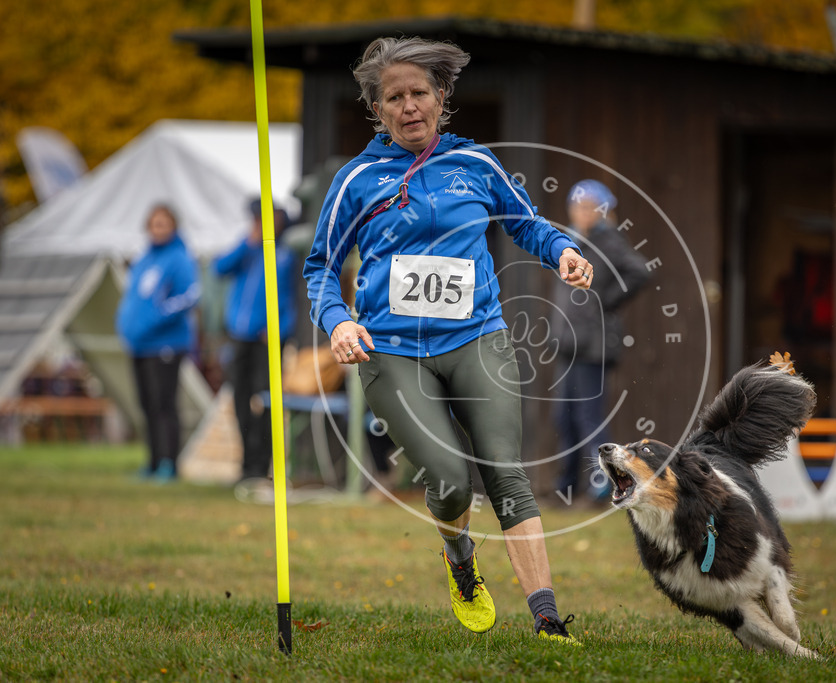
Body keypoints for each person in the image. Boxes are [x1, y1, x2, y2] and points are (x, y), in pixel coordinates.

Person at [304, 36, 594, 643]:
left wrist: (564, 250)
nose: (409, 106)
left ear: (442, 98)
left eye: (419, 93)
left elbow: (527, 226)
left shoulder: (476, 164)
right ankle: (460, 559)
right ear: (377, 110)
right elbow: (322, 267)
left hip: (476, 338)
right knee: (449, 478)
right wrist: (339, 321)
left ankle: (547, 619)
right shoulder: (357, 178)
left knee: (507, 473)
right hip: (392, 351)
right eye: (394, 98)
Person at [550, 180, 652, 504]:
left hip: (593, 346)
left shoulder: (608, 240)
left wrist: (604, 301)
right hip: (570, 344)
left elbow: (640, 272)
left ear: (602, 210)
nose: (581, 212)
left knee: (588, 419)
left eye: (588, 206)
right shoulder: (573, 241)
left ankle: (606, 487)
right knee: (564, 418)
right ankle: (566, 488)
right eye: (576, 206)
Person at [115, 204, 200, 482]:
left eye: (163, 223)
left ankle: (169, 464)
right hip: (139, 345)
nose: (158, 229)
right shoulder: (144, 259)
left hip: (166, 344)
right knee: (147, 404)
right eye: (154, 224)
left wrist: (155, 318)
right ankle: (152, 462)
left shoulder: (179, 258)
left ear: (173, 226)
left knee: (165, 404)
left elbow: (188, 296)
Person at [214, 200, 297, 481]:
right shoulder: (247, 249)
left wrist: (278, 330)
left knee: (266, 402)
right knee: (239, 399)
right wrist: (248, 242)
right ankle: (247, 465)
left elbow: (292, 298)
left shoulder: (286, 255)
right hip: (239, 337)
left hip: (268, 340)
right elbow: (219, 268)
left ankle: (264, 466)